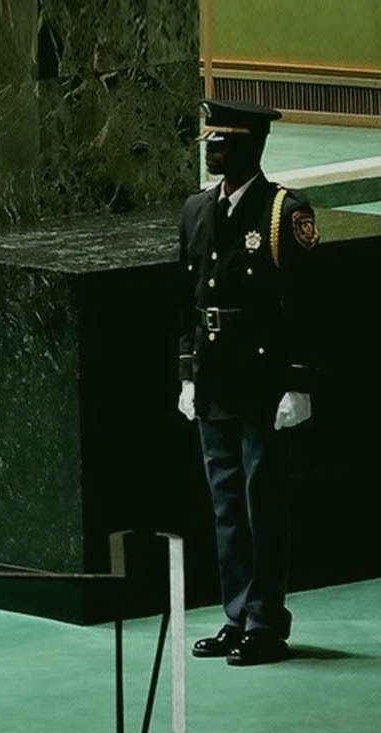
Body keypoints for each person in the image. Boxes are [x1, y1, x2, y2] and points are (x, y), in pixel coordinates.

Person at [176, 99, 319, 666]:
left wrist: (298, 382)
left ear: (251, 146)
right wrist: (187, 372)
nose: (211, 151)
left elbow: (304, 304)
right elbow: (187, 299)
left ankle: (265, 621)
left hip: (262, 379)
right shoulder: (196, 209)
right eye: (209, 141)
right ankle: (236, 616)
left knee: (264, 505)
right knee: (227, 506)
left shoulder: (284, 212)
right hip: (214, 375)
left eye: (222, 142)